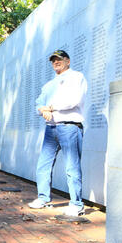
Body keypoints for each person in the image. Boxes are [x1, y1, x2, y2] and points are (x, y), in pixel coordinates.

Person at [28, 50, 87, 217]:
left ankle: (77, 204)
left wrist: (50, 107)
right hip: (51, 128)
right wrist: (42, 109)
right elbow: (39, 102)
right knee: (43, 165)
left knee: (71, 166)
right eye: (53, 60)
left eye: (59, 59)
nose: (56, 62)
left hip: (70, 127)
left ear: (67, 61)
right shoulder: (49, 85)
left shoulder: (77, 77)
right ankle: (43, 198)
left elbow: (74, 100)